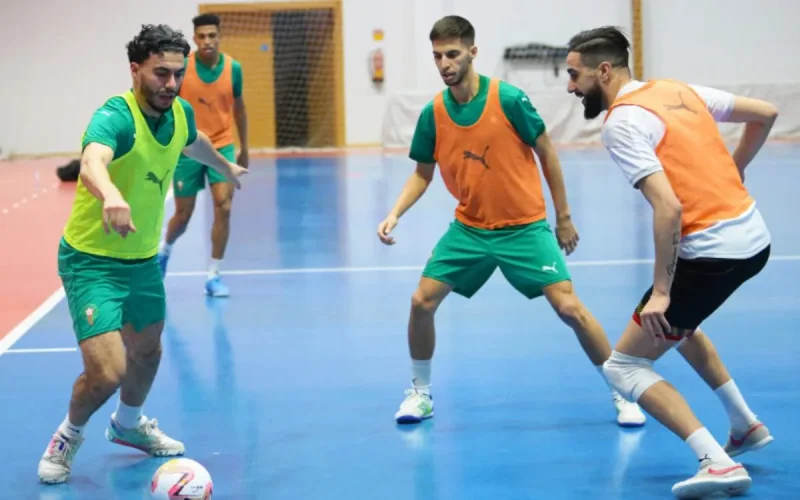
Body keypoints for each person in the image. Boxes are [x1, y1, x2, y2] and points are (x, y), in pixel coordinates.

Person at [377, 15, 647, 428]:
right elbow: (421, 173)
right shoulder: (434, 112)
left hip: (524, 227)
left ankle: (621, 391)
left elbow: (546, 150)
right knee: (421, 302)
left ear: (472, 52)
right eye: (437, 56)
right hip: (470, 228)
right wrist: (394, 213)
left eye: (452, 54)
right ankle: (420, 393)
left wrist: (564, 218)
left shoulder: (507, 99)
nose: (444, 63)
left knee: (571, 308)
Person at [564, 26, 777, 499]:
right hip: (754, 239)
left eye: (574, 75)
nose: (570, 87)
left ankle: (715, 463)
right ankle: (745, 426)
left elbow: (669, 208)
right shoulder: (677, 90)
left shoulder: (620, 123)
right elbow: (766, 114)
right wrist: (737, 166)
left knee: (625, 366)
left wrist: (662, 289)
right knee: (677, 327)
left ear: (604, 70)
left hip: (712, 251)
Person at [37, 24, 247, 485]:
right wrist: (110, 193)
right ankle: (67, 435)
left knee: (148, 350)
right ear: (135, 69)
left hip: (142, 260)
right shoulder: (117, 116)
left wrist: (225, 165)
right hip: (91, 259)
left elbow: (195, 142)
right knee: (108, 371)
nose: (170, 84)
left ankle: (128, 424)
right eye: (160, 74)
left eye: (177, 74)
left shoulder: (180, 113)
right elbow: (93, 159)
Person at [158, 13, 249, 297]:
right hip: (188, 146)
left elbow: (240, 108)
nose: (207, 41)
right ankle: (165, 251)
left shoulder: (234, 68)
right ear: (195, 38)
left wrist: (245, 147)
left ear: (219, 36)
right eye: (202, 36)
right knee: (183, 215)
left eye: (212, 35)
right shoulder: (183, 69)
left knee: (224, 205)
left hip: (222, 145)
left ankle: (214, 275)